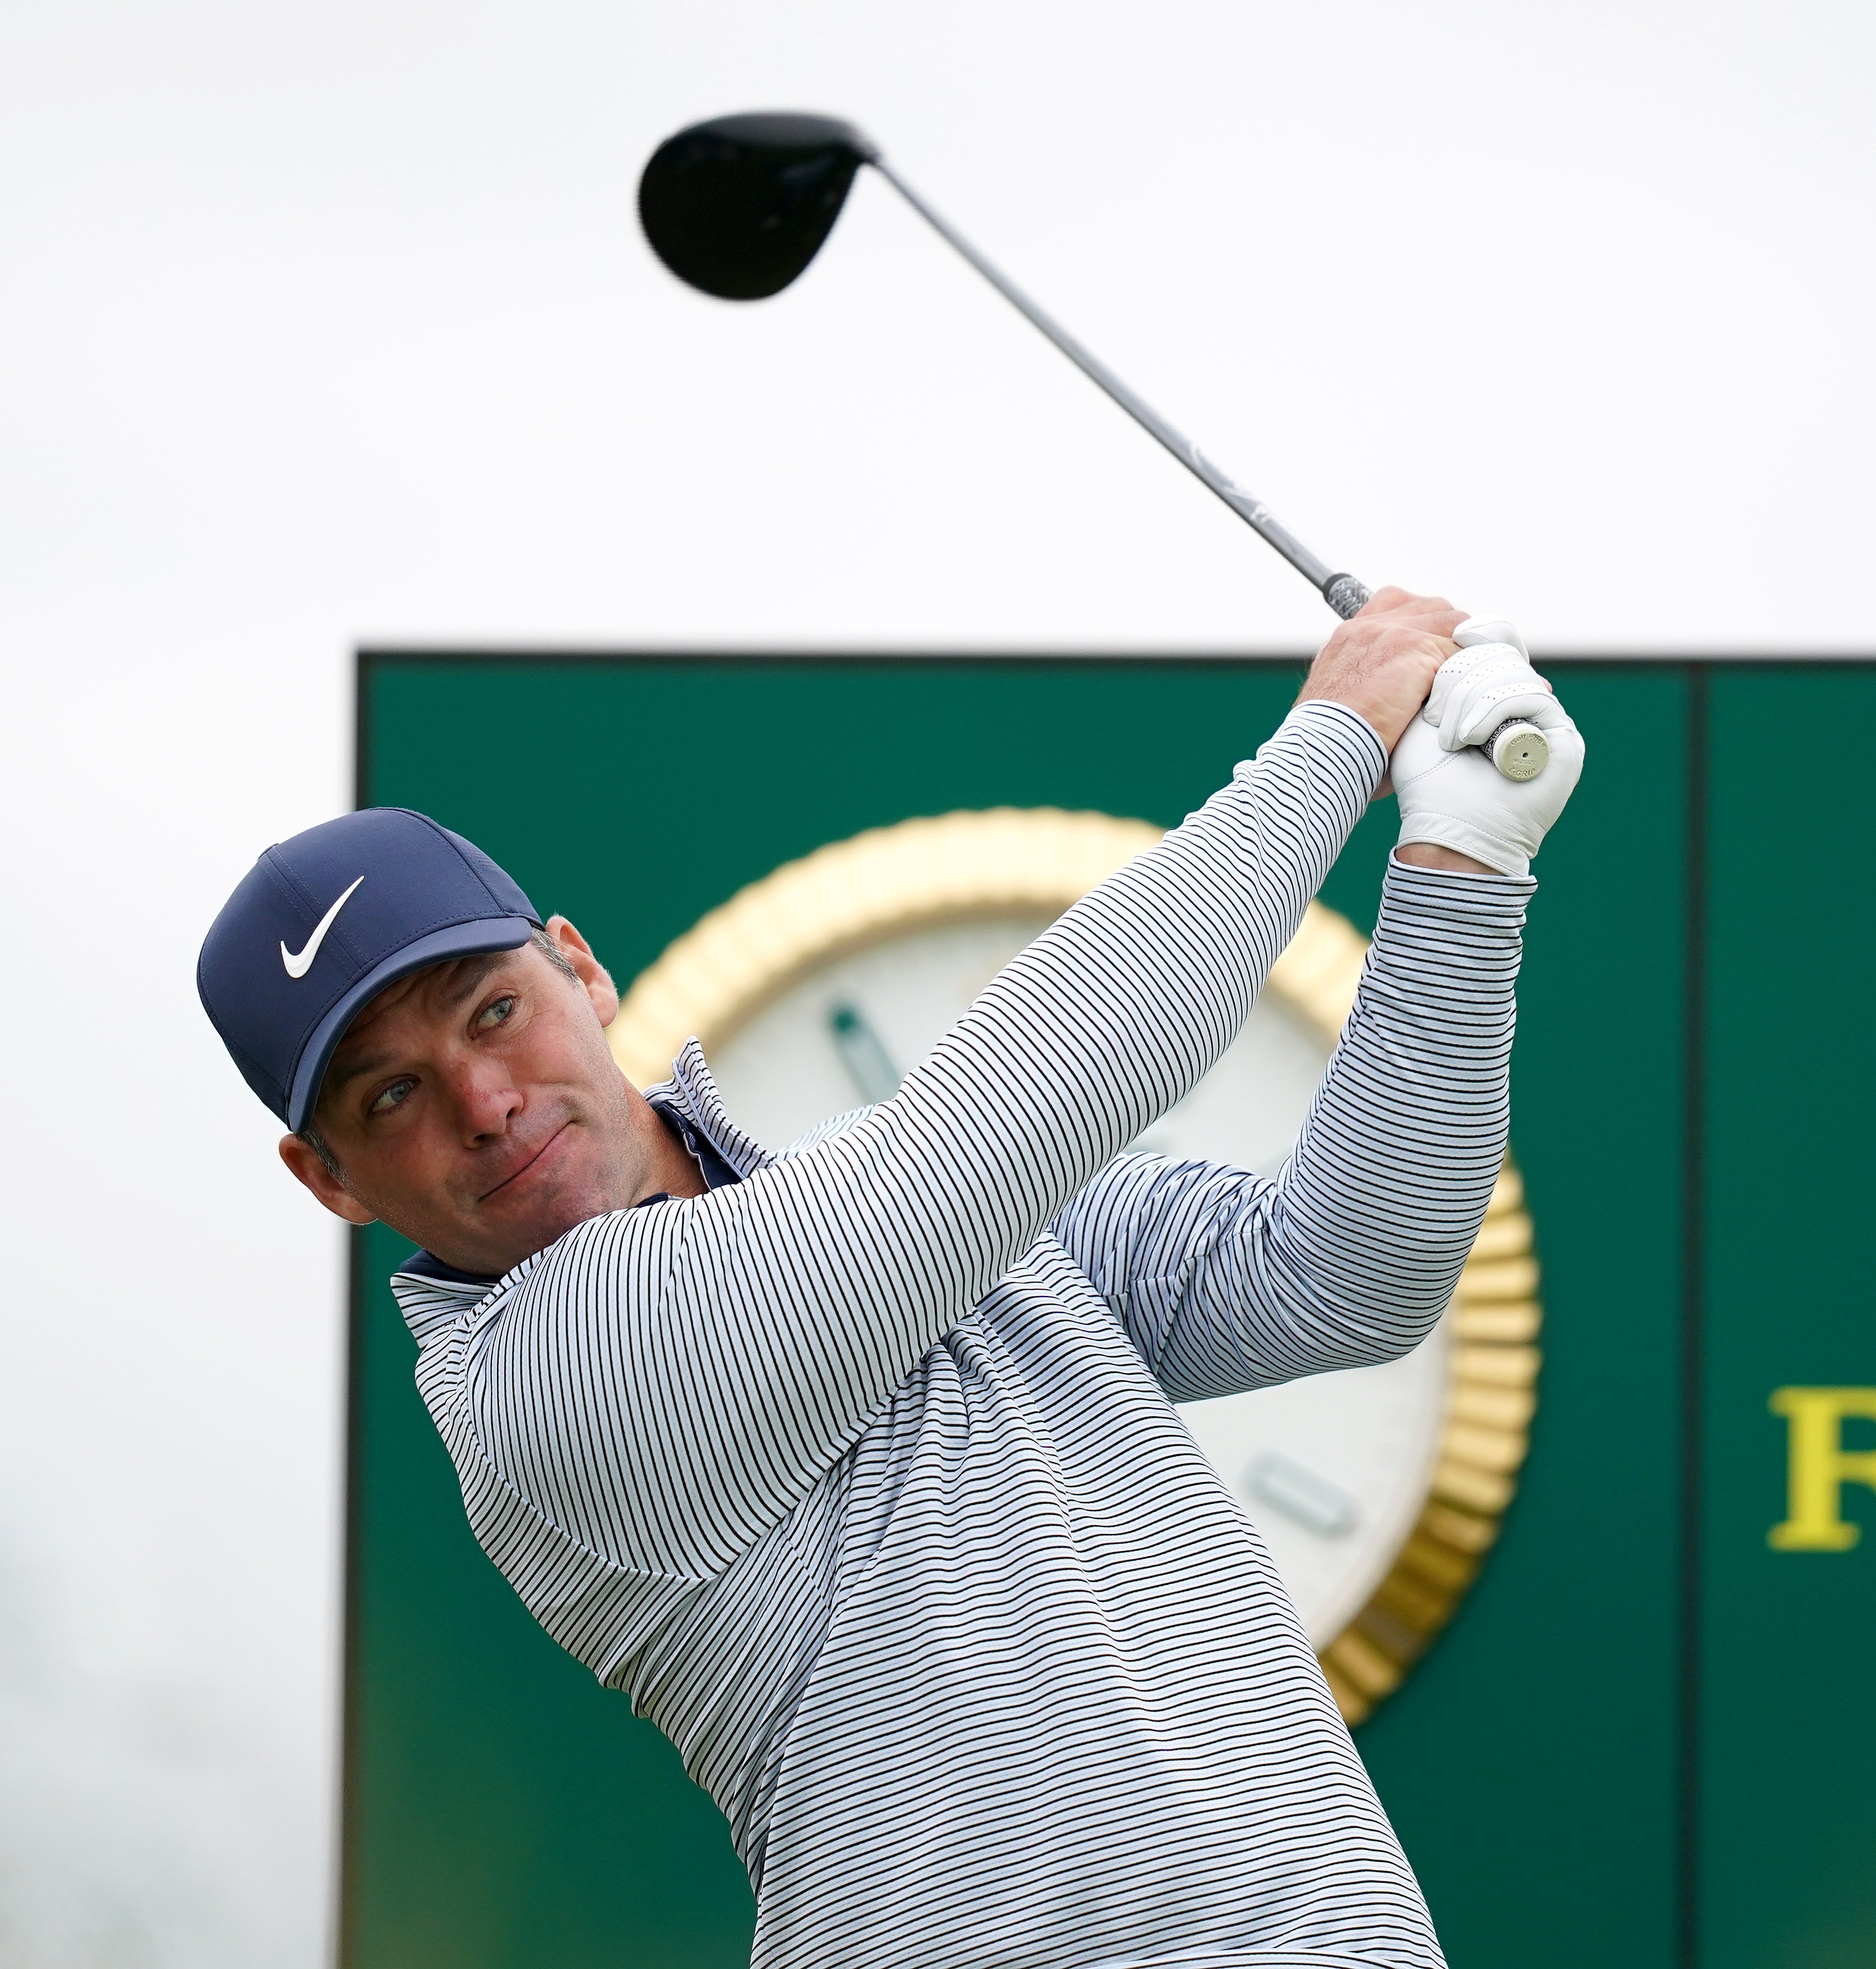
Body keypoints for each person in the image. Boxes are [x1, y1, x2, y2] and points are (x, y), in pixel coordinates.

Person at [196, 590, 1585, 1969]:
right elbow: (1018, 1097)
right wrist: (1336, 731)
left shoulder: (900, 1204)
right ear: (326, 1181)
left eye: (492, 1012)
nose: (485, 1103)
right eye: (391, 1098)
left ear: (579, 968)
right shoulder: (550, 1381)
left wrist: (1460, 866)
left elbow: (1340, 1276)